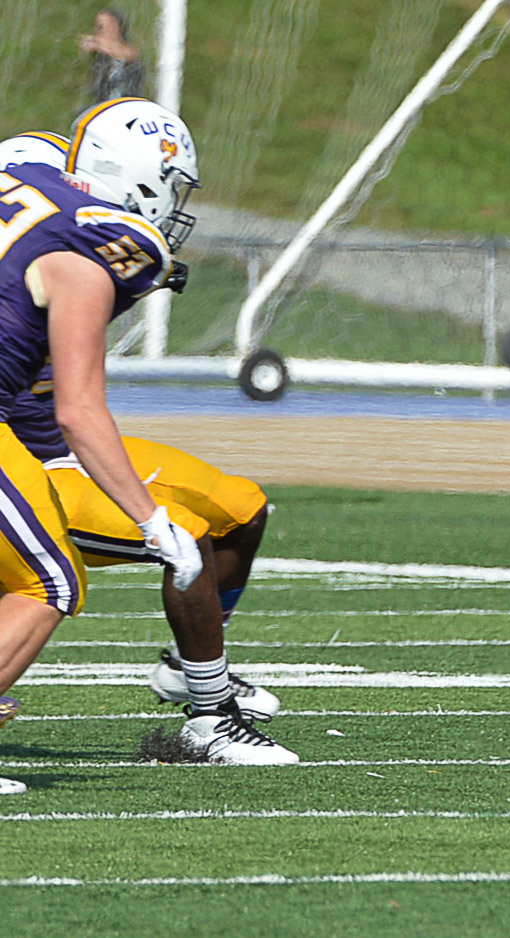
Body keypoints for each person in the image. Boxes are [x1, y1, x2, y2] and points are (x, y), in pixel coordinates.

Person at [0, 100, 295, 796]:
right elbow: (78, 407)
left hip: (44, 444)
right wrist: (148, 518)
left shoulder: (39, 186)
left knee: (236, 508)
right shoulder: (83, 250)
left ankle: (199, 680)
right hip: (31, 447)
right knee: (54, 578)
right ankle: (213, 715)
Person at [78, 8, 146, 104]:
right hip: (103, 105)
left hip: (129, 105)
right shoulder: (101, 56)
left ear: (116, 27)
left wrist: (97, 43)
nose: (98, 31)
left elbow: (129, 54)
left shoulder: (128, 51)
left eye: (101, 26)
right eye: (97, 26)